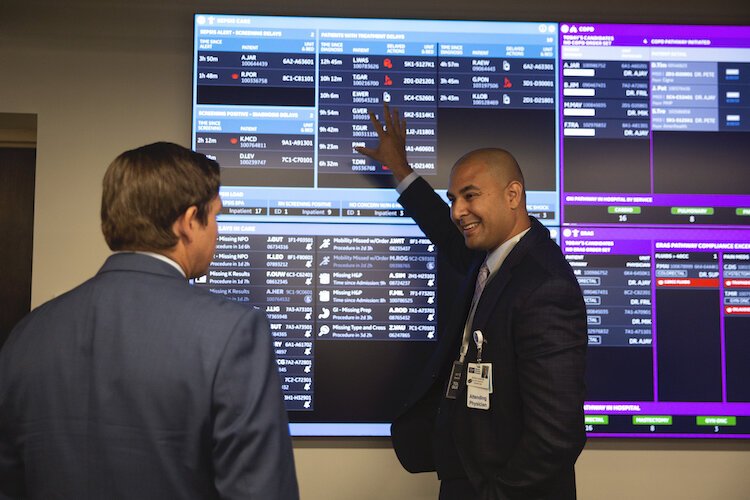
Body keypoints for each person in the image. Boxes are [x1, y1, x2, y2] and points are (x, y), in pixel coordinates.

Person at [0, 142, 299, 500]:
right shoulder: (233, 333)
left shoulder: (28, 333)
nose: (218, 232)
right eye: (216, 216)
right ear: (188, 222)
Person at [356, 105, 587, 500]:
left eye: (470, 196)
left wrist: (495, 494)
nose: (458, 211)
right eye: (453, 198)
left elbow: (557, 435)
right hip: (470, 476)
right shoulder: (490, 257)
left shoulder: (544, 286)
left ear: (513, 195)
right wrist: (401, 169)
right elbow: (444, 232)